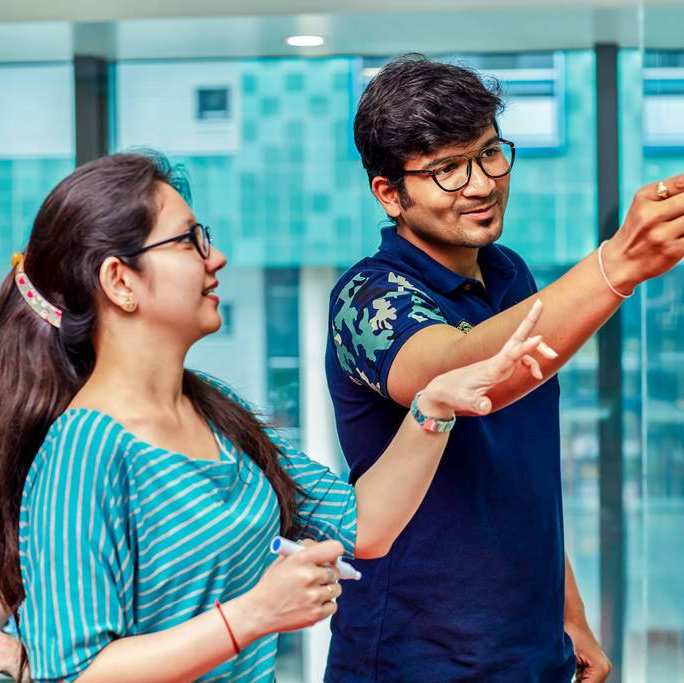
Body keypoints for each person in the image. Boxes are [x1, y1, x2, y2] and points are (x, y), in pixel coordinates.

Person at [0, 152, 551, 682]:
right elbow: (73, 674)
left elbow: (365, 525)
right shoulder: (82, 453)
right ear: (120, 281)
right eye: (189, 242)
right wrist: (253, 615)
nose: (215, 258)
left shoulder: (214, 408)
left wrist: (434, 406)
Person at [325, 54, 684, 683]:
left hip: (531, 652)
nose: (482, 184)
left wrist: (569, 615)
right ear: (389, 193)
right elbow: (453, 372)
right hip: (413, 661)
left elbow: (522, 474)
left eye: (490, 153)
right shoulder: (367, 297)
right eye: (446, 170)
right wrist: (618, 264)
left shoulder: (511, 272)